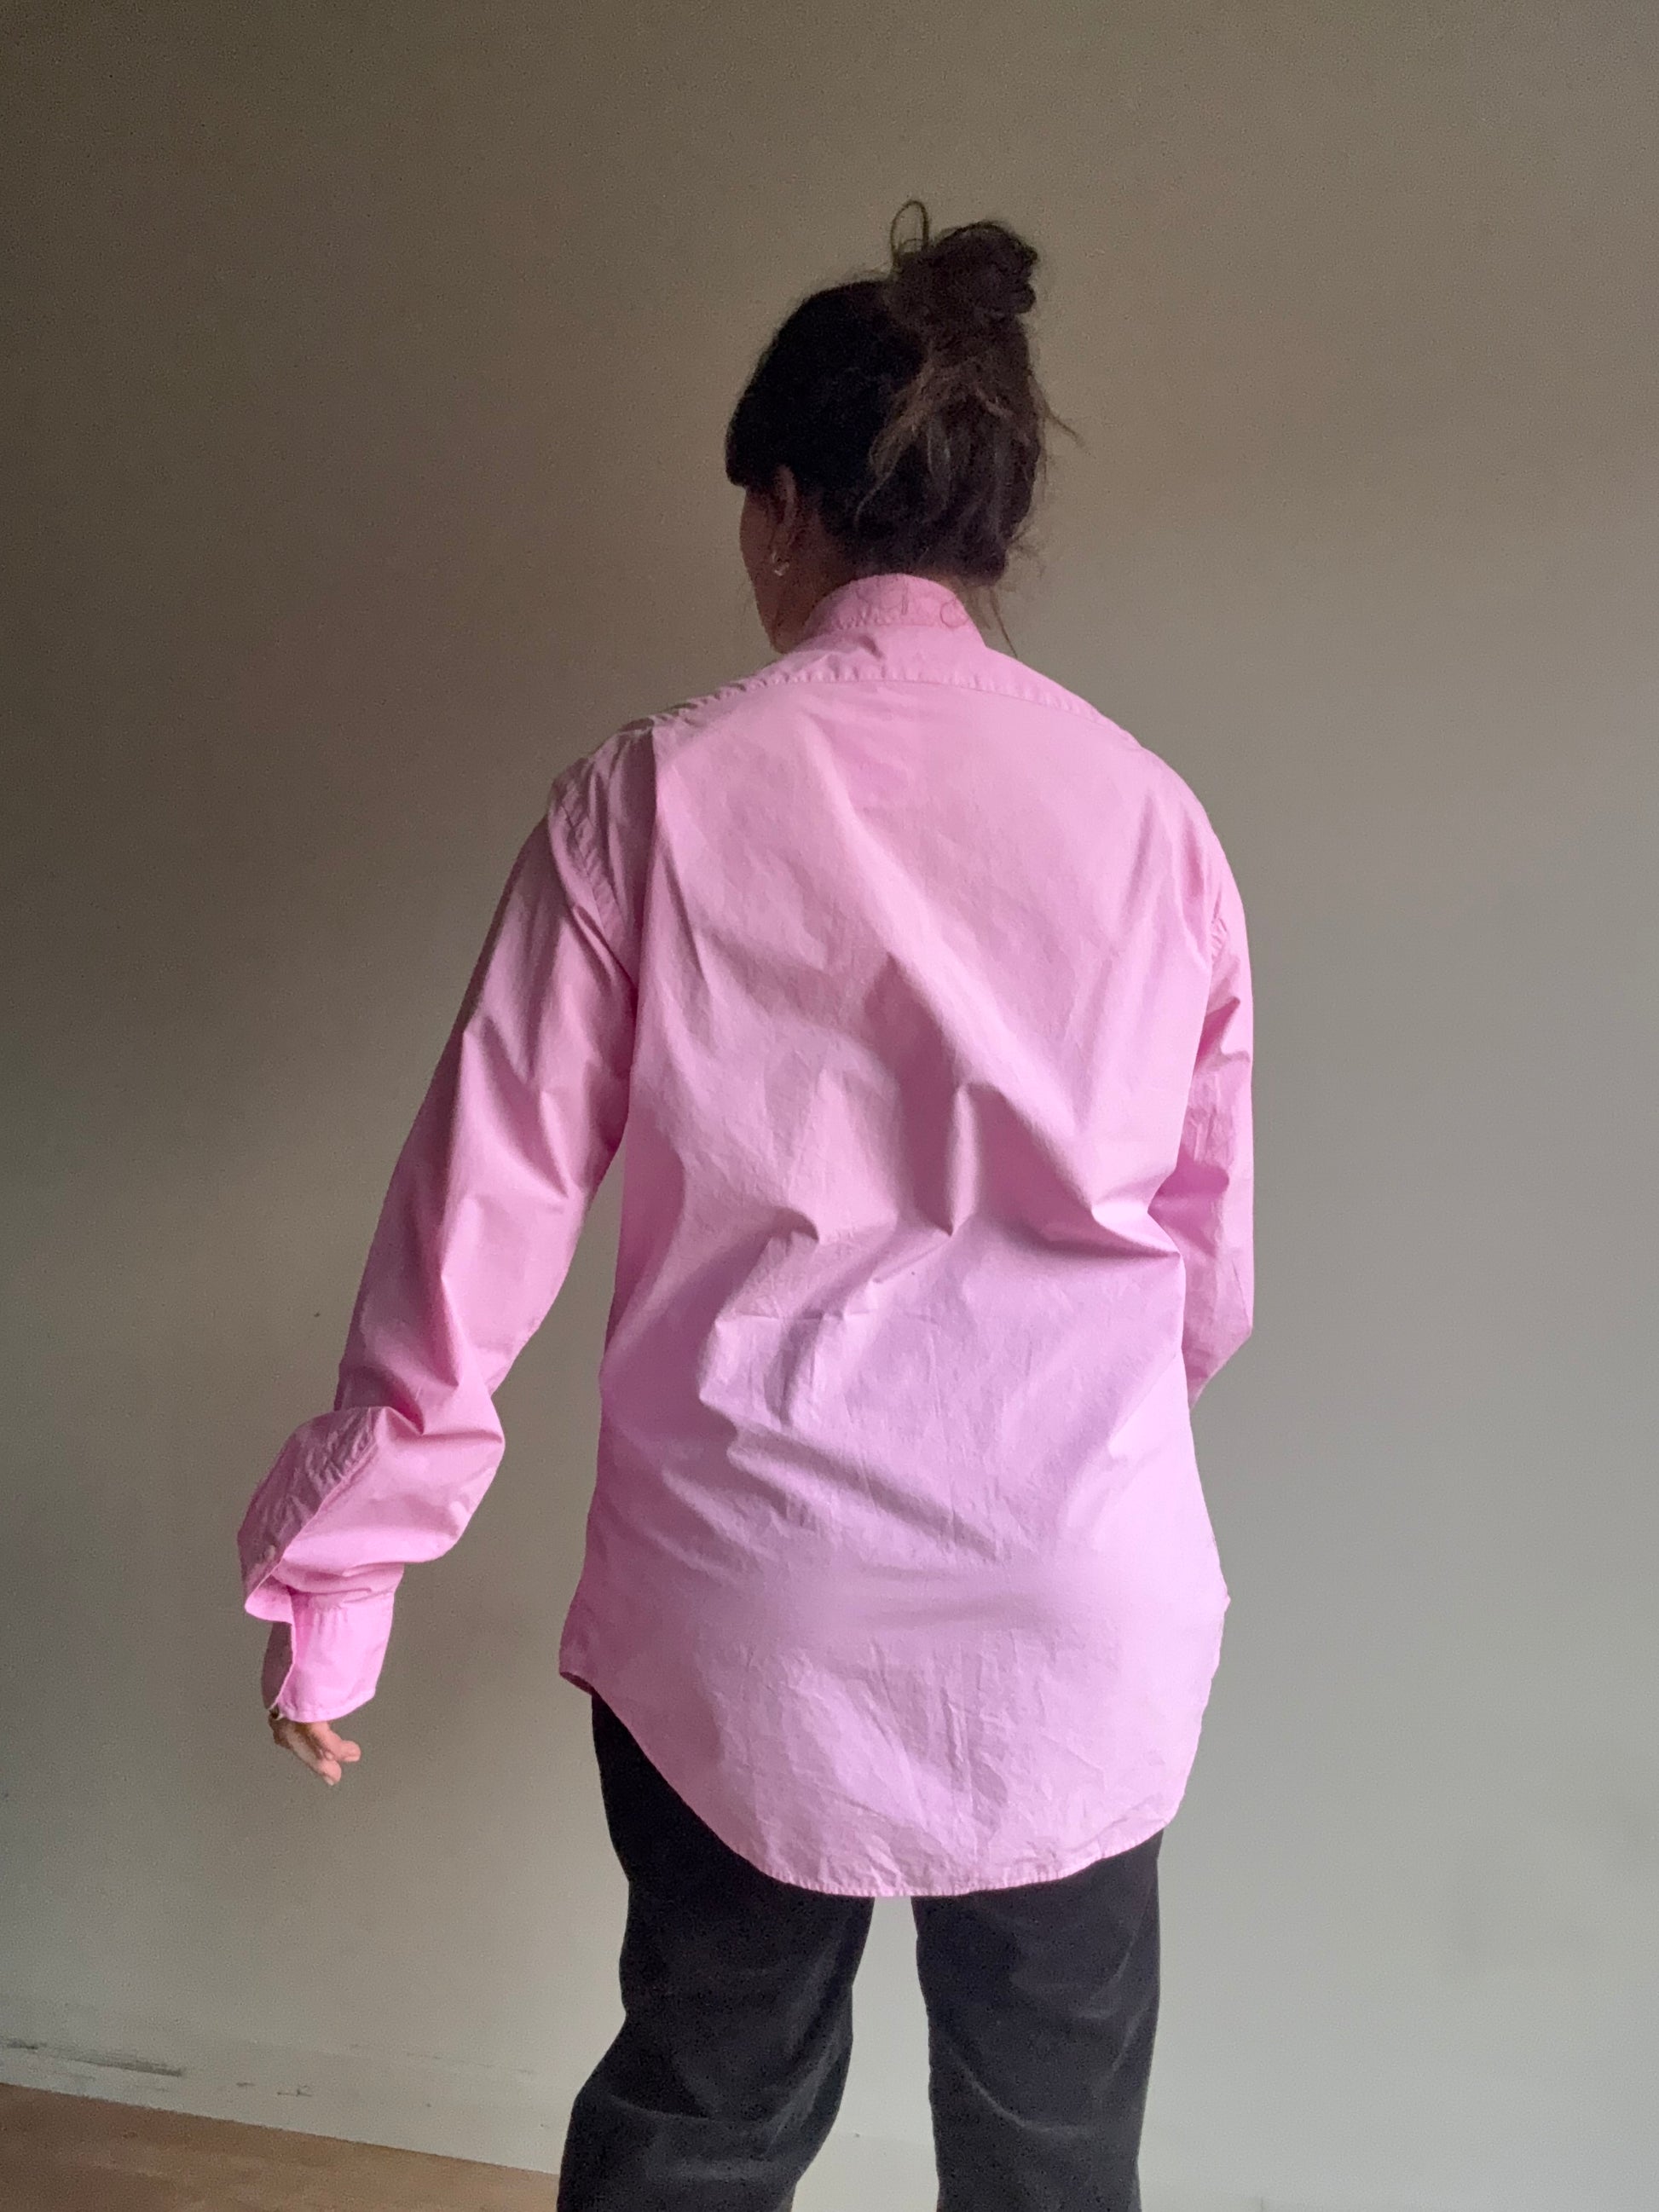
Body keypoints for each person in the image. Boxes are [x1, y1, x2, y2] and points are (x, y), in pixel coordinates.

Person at [239, 204, 1253, 2212]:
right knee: (1055, 2147)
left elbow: (478, 1217)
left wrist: (337, 1586)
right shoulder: (1154, 820)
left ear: (783, 510)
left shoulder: (650, 798)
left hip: (751, 1601)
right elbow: (1199, 1271)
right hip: (1071, 1592)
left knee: (707, 2110)